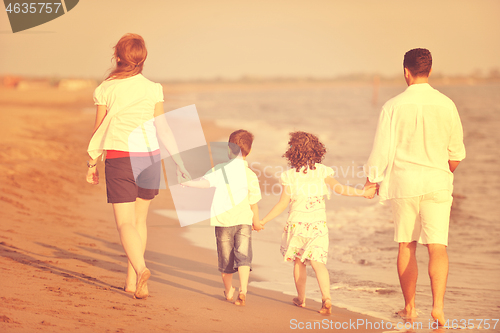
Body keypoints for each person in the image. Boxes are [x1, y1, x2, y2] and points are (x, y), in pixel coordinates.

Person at [364, 48, 466, 325]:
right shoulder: (447, 104)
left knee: (406, 245)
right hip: (437, 183)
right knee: (438, 246)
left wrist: (372, 179)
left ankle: (409, 307)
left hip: (404, 183)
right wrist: (440, 173)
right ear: (430, 71)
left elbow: (381, 150)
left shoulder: (392, 106)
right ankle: (439, 308)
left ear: (405, 72)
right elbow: (455, 155)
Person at [86, 33, 190, 299]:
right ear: (142, 59)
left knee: (125, 224)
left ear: (118, 57)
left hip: (120, 157)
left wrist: (92, 162)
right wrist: (178, 162)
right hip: (150, 158)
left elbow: (99, 128)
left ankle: (141, 269)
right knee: (140, 220)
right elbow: (162, 128)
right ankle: (132, 283)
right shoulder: (153, 87)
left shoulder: (106, 88)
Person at [256, 131, 376, 314]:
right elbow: (341, 189)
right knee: (318, 263)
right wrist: (363, 192)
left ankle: (301, 299)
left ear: (292, 152)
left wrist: (263, 220)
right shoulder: (322, 171)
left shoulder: (289, 176)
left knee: (299, 262)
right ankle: (326, 298)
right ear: (317, 151)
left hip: (297, 225)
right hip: (318, 226)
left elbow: (282, 204)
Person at [181, 130, 261, 306]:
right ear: (250, 151)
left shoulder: (220, 169)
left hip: (223, 220)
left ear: (229, 149)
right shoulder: (251, 175)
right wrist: (256, 221)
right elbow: (253, 202)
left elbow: (205, 183)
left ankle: (229, 291)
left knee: (226, 259)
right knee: (244, 257)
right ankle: (244, 290)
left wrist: (188, 183)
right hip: (244, 221)